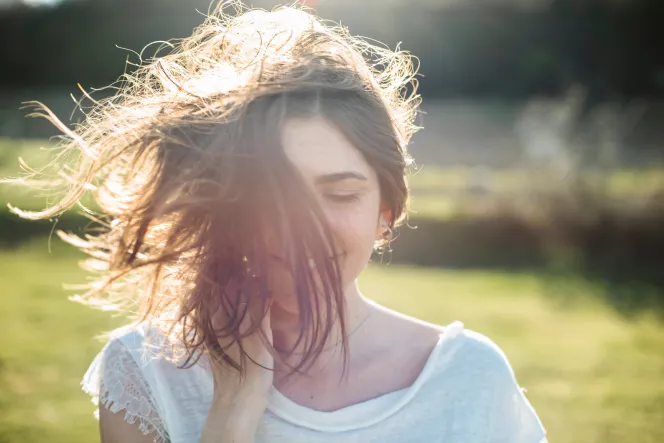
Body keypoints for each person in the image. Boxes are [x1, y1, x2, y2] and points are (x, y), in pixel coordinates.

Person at [7, 2, 547, 442]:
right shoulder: (143, 374)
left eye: (339, 194)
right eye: (271, 196)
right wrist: (234, 411)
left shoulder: (469, 376)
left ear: (386, 212)